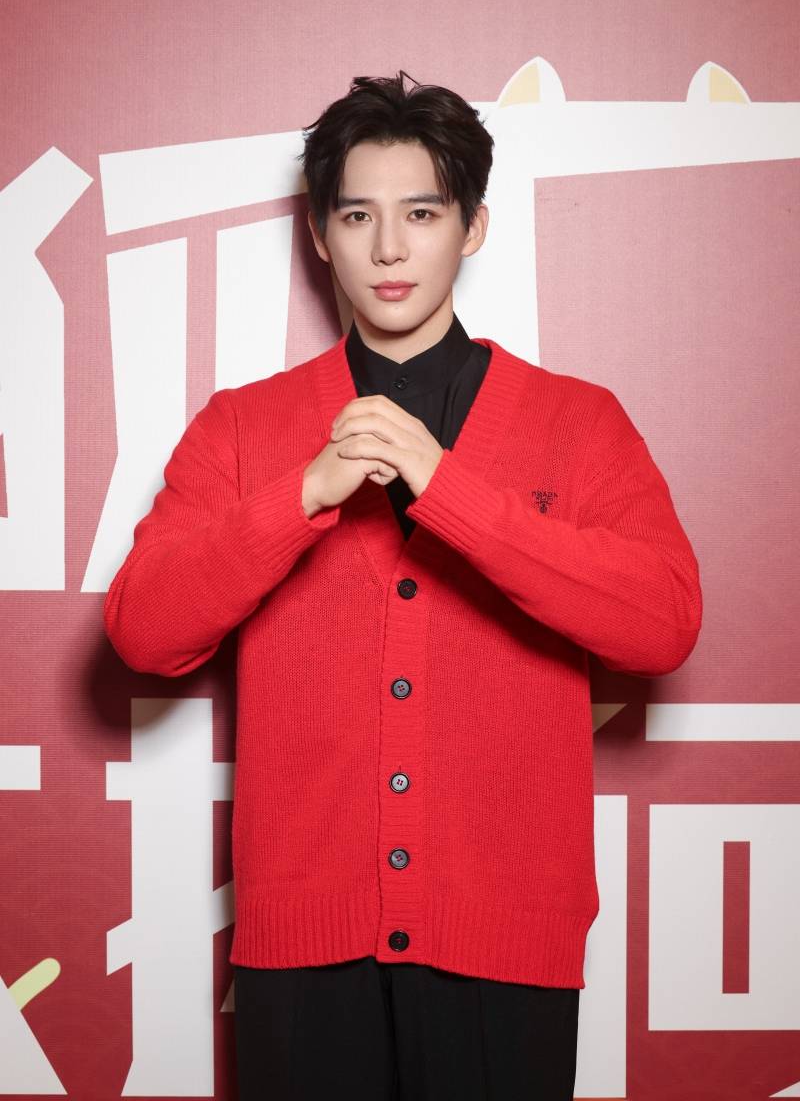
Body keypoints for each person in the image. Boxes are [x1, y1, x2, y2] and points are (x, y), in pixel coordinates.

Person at [103, 71, 703, 1099]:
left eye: (421, 213)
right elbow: (144, 630)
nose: (388, 249)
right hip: (303, 949)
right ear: (318, 234)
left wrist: (447, 488)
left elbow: (662, 624)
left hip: (506, 943)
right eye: (357, 216)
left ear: (472, 228)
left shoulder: (578, 422)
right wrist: (302, 494)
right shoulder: (244, 427)